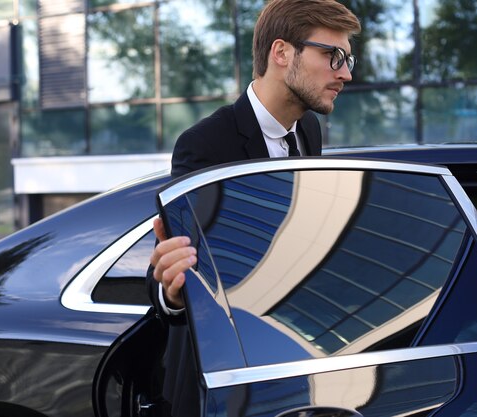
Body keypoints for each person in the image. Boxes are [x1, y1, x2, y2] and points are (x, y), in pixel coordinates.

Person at [148, 0, 361, 414]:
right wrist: (172, 291)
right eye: (332, 56)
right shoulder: (206, 143)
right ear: (281, 53)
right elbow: (182, 268)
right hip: (228, 381)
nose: (346, 73)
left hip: (294, 368)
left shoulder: (309, 132)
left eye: (348, 58)